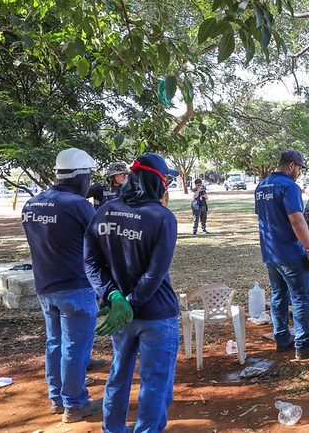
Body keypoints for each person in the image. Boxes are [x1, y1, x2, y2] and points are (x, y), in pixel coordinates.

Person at [84, 152, 180, 433]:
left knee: (118, 375)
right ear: (157, 182)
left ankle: (112, 429)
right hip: (156, 313)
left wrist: (112, 296)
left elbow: (90, 262)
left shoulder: (104, 211)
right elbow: (155, 272)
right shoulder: (162, 217)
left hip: (120, 316)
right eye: (166, 181)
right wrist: (129, 301)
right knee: (155, 382)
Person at [21, 148, 101, 423]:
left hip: (46, 286)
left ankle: (56, 398)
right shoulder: (79, 206)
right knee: (75, 346)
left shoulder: (32, 204)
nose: (90, 182)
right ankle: (75, 404)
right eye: (89, 176)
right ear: (79, 176)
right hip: (76, 286)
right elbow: (100, 245)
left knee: (54, 342)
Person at [255, 150, 309, 359]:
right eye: (299, 168)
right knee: (301, 297)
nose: (299, 172)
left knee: (279, 294)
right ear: (291, 166)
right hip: (290, 251)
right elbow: (297, 220)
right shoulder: (289, 187)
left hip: (270, 251)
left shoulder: (262, 185)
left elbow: (263, 216)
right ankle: (304, 345)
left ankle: (281, 337)